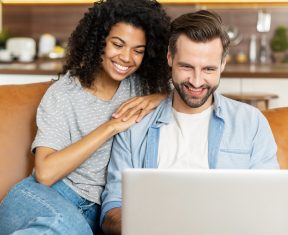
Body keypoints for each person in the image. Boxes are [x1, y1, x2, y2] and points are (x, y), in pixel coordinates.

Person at [101, 10, 279, 235]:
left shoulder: (251, 123)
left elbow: (269, 204)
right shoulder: (135, 125)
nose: (196, 81)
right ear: (170, 58)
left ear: (223, 64)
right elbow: (111, 211)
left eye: (208, 69)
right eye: (186, 67)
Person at [0, 0, 170, 234]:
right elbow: (45, 173)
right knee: (64, 226)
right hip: (42, 197)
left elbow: (190, 91)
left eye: (138, 50)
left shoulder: (142, 88)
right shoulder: (64, 93)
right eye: (118, 44)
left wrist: (159, 98)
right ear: (99, 41)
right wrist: (110, 127)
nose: (126, 58)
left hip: (98, 212)